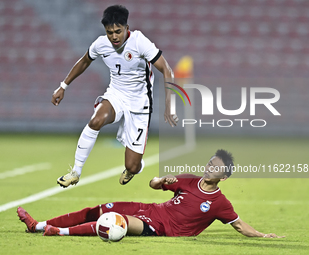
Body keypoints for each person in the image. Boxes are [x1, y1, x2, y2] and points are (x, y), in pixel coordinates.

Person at [17, 149, 284, 238]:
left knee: (112, 222)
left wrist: (262, 235)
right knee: (100, 208)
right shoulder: (189, 181)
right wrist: (160, 180)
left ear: (224, 177)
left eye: (216, 167)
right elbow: (154, 184)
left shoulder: (219, 202)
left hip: (159, 227)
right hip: (150, 209)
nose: (210, 167)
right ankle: (38, 225)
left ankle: (57, 232)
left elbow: (237, 224)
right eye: (210, 162)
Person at [51, 5, 177, 188]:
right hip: (116, 95)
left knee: (132, 166)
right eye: (110, 32)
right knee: (96, 120)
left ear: (127, 27)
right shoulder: (101, 44)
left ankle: (133, 169)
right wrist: (63, 86)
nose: (114, 37)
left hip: (139, 104)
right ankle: (75, 172)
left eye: (118, 31)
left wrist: (169, 103)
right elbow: (85, 60)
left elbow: (166, 69)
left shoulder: (140, 42)